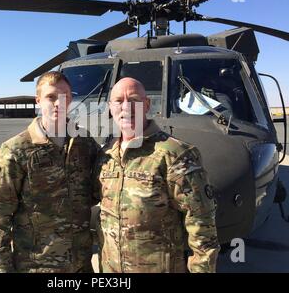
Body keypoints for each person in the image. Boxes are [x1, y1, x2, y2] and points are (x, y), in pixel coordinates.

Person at [93, 77, 220, 273]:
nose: (126, 107)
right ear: (110, 107)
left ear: (146, 105)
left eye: (134, 100)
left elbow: (202, 225)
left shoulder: (176, 155)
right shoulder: (106, 155)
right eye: (118, 101)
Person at [0, 71, 98, 273]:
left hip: (81, 265)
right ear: (38, 101)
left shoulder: (84, 143)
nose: (58, 103)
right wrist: (2, 269)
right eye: (51, 97)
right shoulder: (16, 150)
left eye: (64, 97)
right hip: (37, 266)